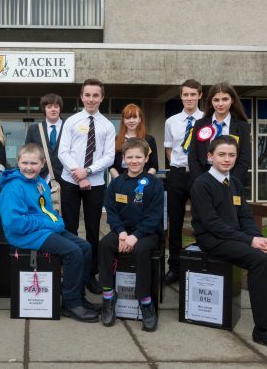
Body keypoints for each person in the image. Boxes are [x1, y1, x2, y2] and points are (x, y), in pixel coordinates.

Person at [191, 136, 267, 353]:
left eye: (231, 155)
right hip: (213, 239)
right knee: (259, 260)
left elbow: (246, 217)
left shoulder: (235, 183)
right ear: (210, 156)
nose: (227, 159)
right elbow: (212, 223)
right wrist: (250, 241)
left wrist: (259, 238)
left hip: (238, 236)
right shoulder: (201, 185)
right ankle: (264, 331)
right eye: (221, 154)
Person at [0, 144, 99, 322]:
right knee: (72, 252)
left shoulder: (40, 183)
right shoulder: (13, 188)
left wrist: (56, 222)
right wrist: (49, 224)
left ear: (42, 164)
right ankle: (71, 303)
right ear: (18, 163)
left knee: (84, 247)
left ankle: (78, 296)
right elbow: (14, 223)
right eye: (25, 163)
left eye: (34, 163)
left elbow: (48, 211)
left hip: (42, 229)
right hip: (25, 234)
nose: (29, 167)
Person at [58, 78, 115, 295]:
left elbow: (109, 156)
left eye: (96, 95)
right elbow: (63, 151)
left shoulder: (107, 126)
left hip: (96, 182)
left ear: (102, 97)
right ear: (81, 96)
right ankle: (71, 274)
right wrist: (78, 172)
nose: (91, 99)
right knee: (70, 229)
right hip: (70, 181)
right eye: (87, 95)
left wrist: (88, 172)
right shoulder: (71, 121)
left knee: (93, 231)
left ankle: (90, 275)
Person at [99, 138, 163, 330]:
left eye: (138, 157)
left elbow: (154, 215)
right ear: (124, 159)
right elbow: (111, 212)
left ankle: (145, 302)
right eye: (130, 157)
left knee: (141, 251)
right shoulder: (117, 183)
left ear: (146, 159)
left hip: (147, 233)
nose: (134, 161)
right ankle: (108, 297)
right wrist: (121, 233)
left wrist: (136, 236)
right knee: (103, 246)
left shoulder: (154, 184)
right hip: (123, 231)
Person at [163, 79, 204, 285]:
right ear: (181, 96)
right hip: (178, 174)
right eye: (185, 95)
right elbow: (169, 148)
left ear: (200, 96)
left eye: (193, 94)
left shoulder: (207, 119)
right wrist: (177, 165)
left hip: (200, 175)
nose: (189, 98)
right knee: (175, 222)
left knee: (202, 220)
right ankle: (175, 267)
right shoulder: (171, 121)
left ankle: (200, 262)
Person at [188, 82, 251, 185]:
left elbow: (244, 160)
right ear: (211, 102)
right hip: (204, 177)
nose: (220, 104)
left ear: (232, 101)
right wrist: (200, 182)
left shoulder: (242, 126)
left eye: (225, 99)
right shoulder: (200, 124)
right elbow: (193, 157)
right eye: (216, 100)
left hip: (231, 178)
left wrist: (229, 183)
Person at [109, 103, 158, 178]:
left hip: (143, 182)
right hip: (121, 182)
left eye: (135, 117)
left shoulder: (149, 139)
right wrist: (119, 181)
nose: (131, 121)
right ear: (123, 120)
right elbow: (111, 166)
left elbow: (154, 165)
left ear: (140, 119)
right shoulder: (116, 140)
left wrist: (145, 181)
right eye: (128, 118)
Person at [25, 93, 65, 181]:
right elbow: (28, 154)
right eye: (49, 107)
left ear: (60, 109)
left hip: (66, 178)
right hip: (40, 177)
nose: (53, 109)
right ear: (44, 109)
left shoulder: (69, 126)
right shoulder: (34, 129)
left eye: (56, 106)